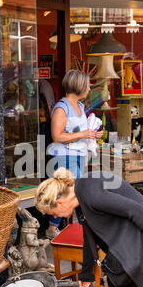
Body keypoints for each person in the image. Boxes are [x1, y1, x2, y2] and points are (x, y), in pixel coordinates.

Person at [45, 69, 103, 239]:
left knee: (69, 193)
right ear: (78, 86)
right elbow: (57, 136)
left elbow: (79, 131)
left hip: (79, 155)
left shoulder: (80, 106)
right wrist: (84, 134)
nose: (89, 89)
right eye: (87, 85)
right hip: (64, 157)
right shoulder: (61, 109)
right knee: (73, 193)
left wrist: (92, 133)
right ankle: (81, 228)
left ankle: (55, 228)